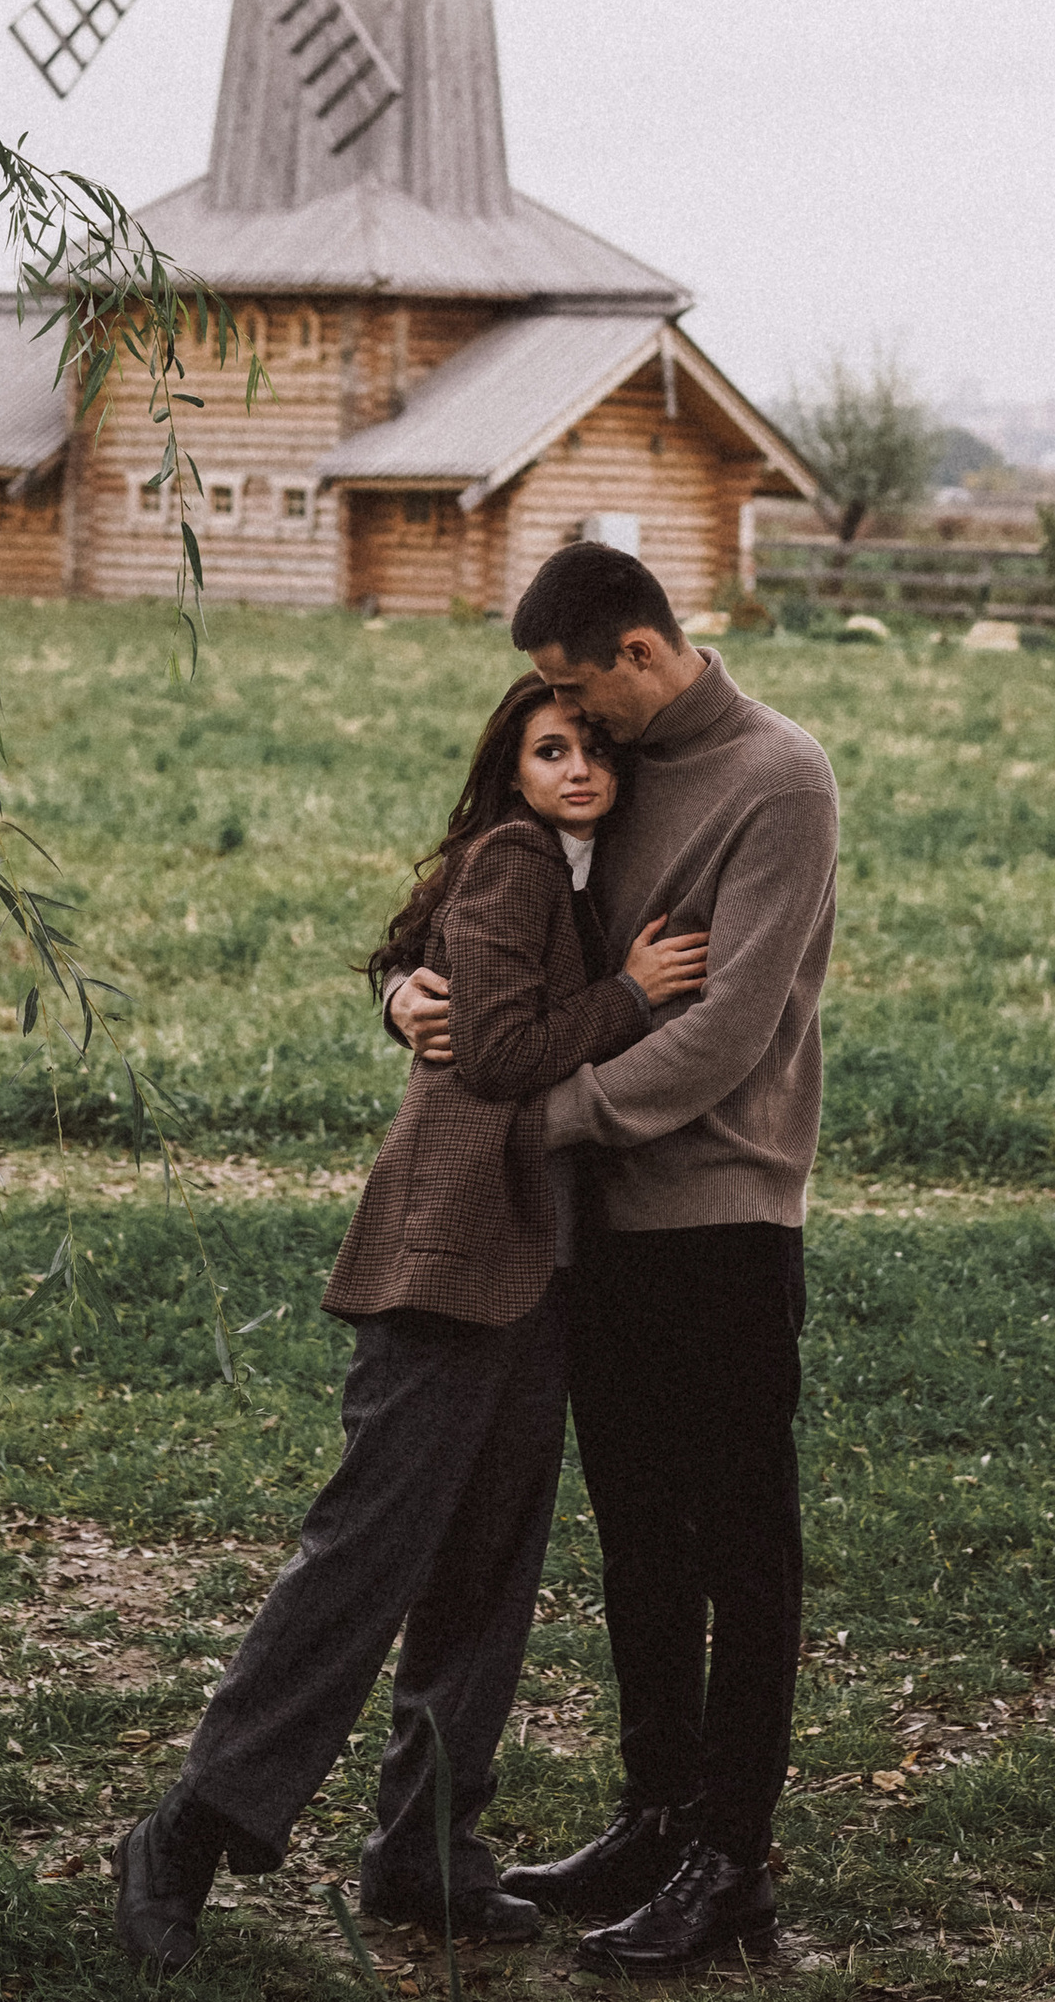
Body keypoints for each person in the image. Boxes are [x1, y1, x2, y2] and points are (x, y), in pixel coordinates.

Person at [113, 676, 710, 1978]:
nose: (580, 765)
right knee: (364, 1557)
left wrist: (413, 981)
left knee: (486, 1568)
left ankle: (427, 1848)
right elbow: (498, 1053)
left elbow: (442, 978)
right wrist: (635, 990)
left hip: (535, 1269)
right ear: (511, 765)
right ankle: (186, 1828)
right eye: (551, 747)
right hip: (446, 1263)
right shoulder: (512, 860)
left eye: (597, 745)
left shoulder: (570, 872)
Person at [387, 546, 838, 1976]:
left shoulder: (780, 777)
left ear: (642, 650)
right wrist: (406, 986)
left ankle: (731, 1856)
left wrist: (538, 1120)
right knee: (640, 1530)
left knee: (741, 1544)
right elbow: (514, 934)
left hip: (722, 1208)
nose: (564, 719)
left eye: (578, 687)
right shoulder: (614, 767)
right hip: (600, 1224)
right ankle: (655, 1813)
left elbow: (729, 1029)